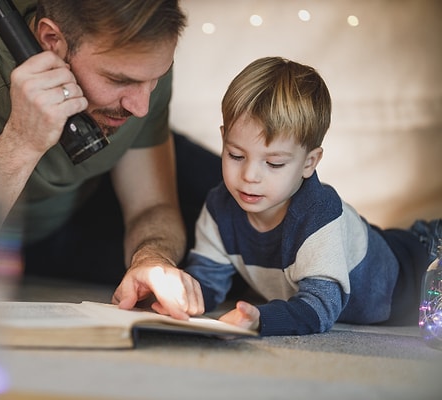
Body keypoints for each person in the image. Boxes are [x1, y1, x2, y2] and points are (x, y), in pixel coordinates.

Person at [0, 0, 218, 318]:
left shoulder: (141, 63)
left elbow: (152, 204)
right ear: (52, 42)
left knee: (243, 204)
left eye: (155, 79)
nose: (141, 107)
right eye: (120, 80)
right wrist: (23, 140)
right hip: (16, 234)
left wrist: (152, 259)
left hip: (89, 190)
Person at [172, 56, 440, 335]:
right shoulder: (220, 207)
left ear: (309, 163)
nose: (249, 175)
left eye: (274, 163)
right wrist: (175, 295)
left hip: (422, 262)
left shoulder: (319, 213)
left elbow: (320, 307)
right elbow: (206, 281)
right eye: (236, 155)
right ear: (223, 138)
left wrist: (262, 319)